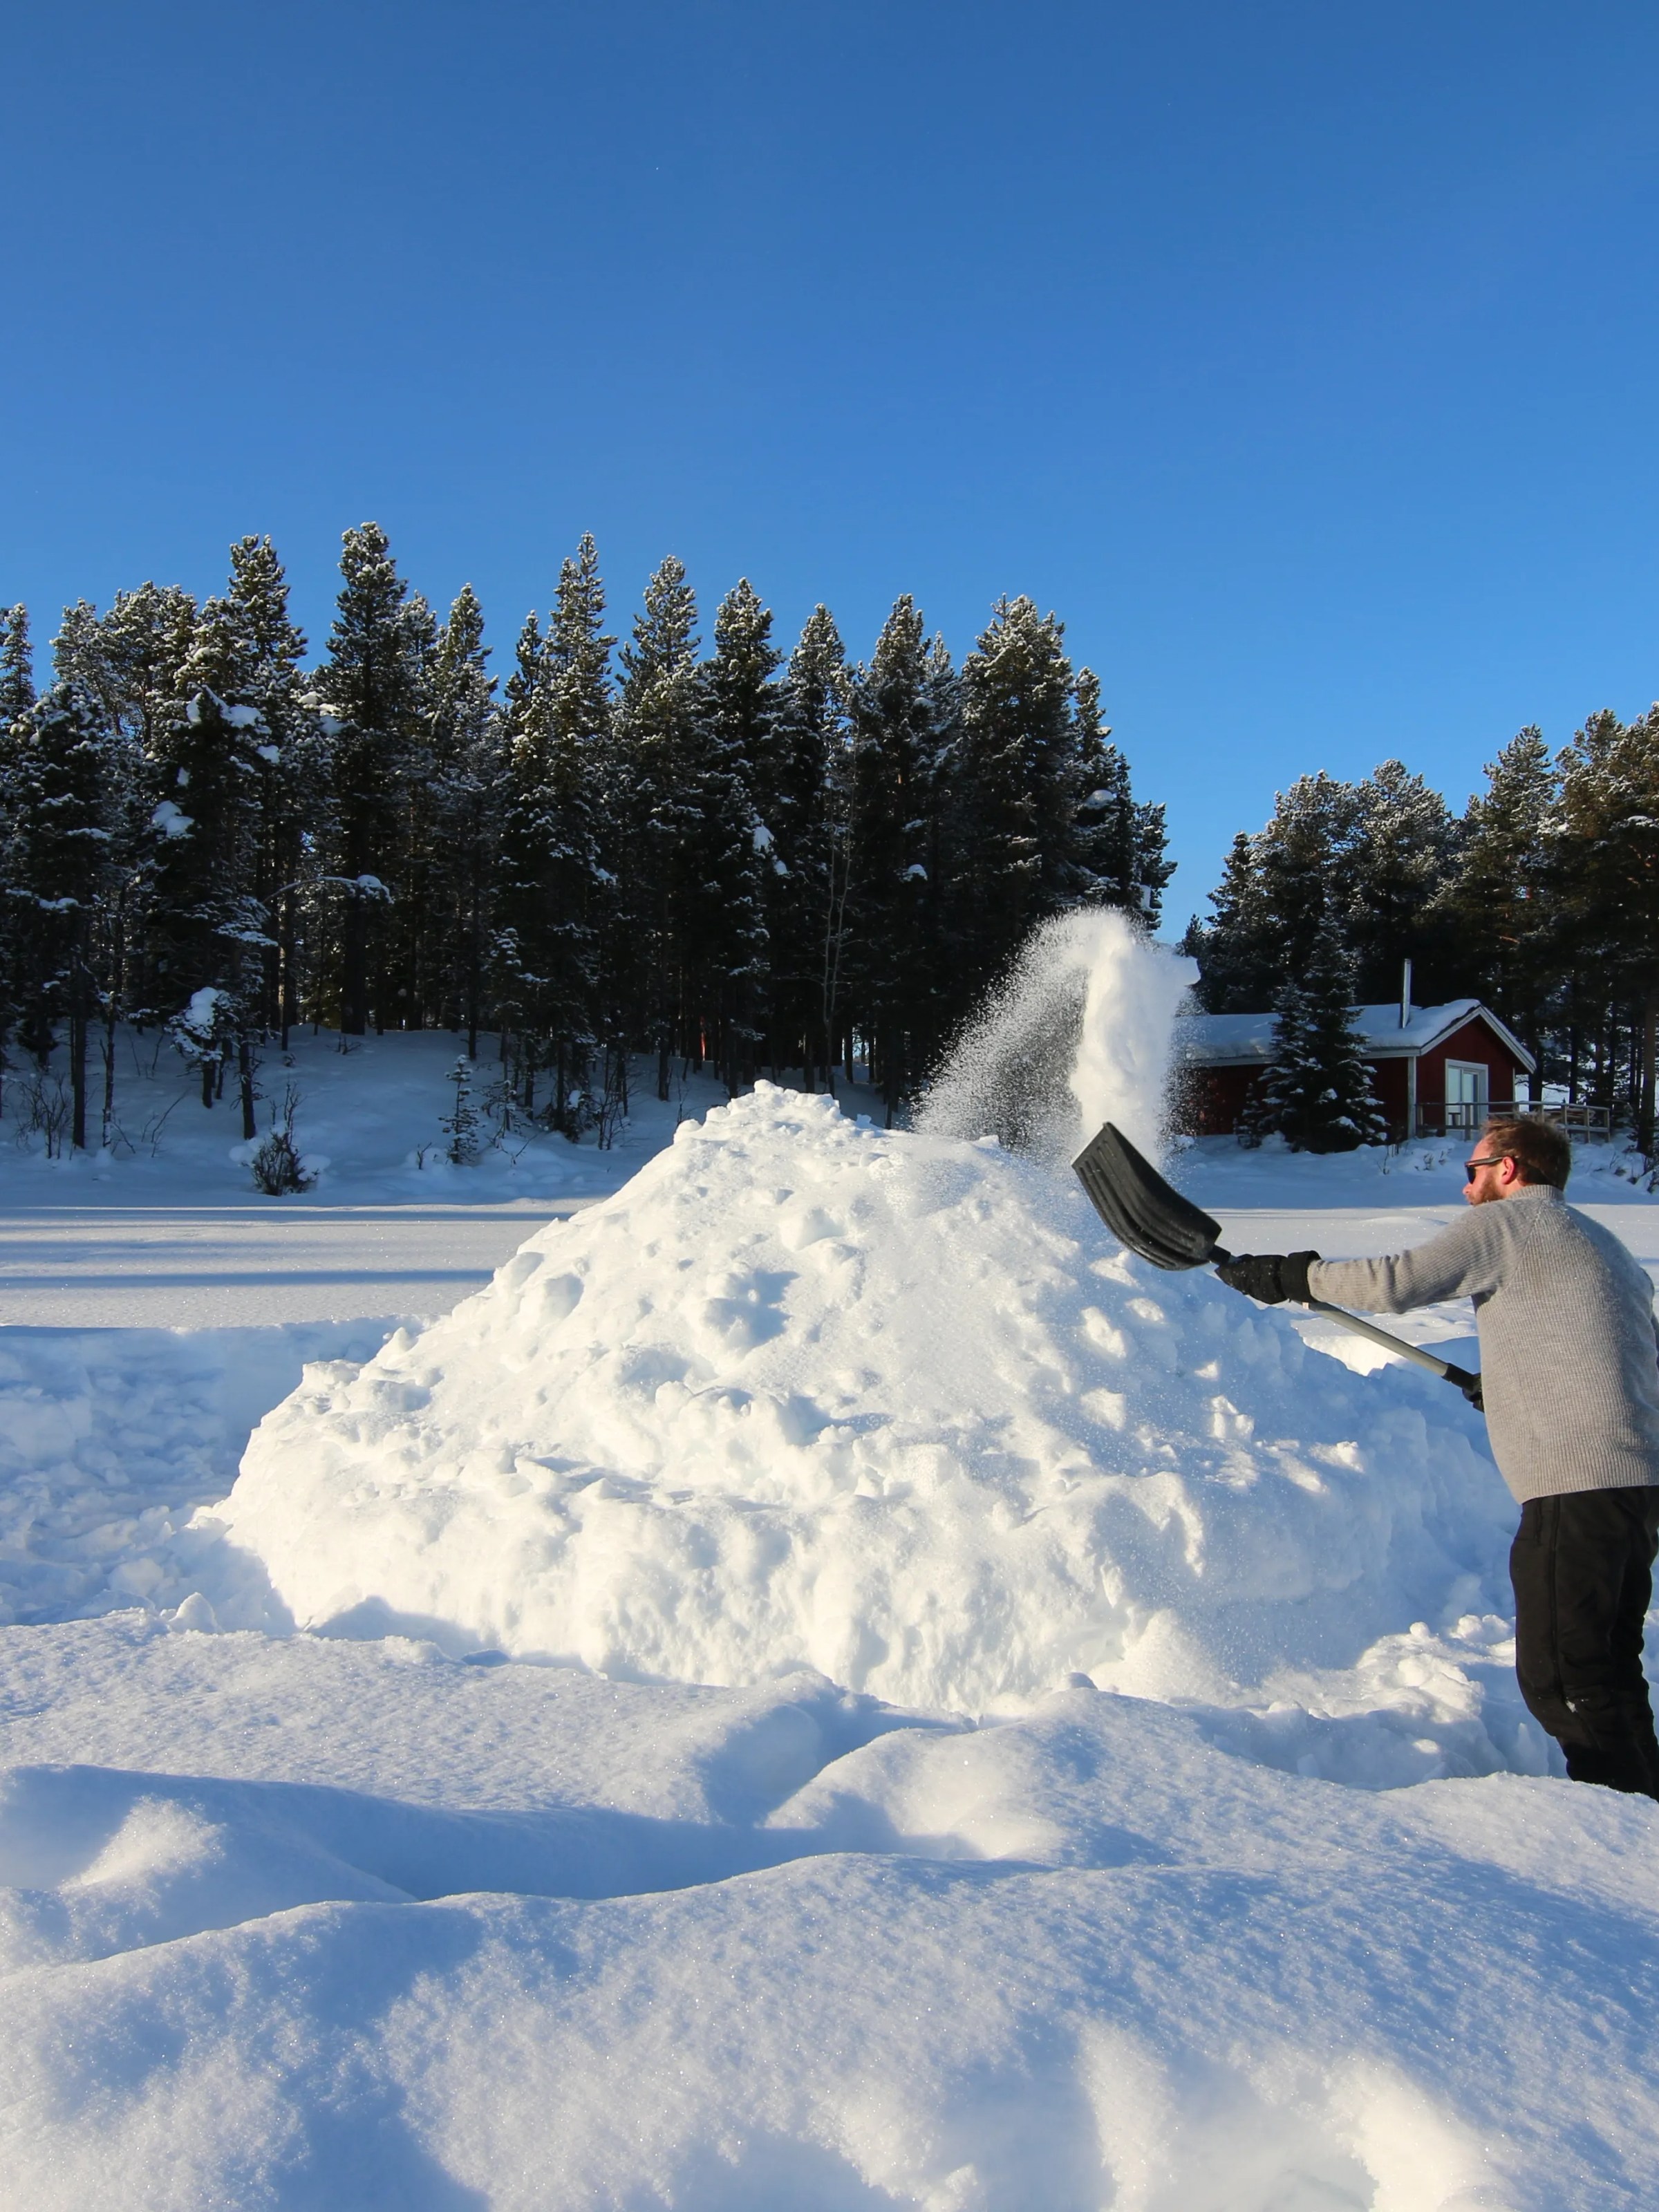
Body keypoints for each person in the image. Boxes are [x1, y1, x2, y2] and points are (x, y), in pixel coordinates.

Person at [1216, 1115, 1659, 1801]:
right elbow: (1627, 1354)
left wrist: (1292, 1274)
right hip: (1631, 1490)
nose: (1465, 1185)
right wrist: (1510, 1383)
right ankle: (1643, 1808)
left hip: (1576, 1489)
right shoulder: (1602, 1245)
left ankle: (1620, 1827)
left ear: (1509, 1169)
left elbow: (1399, 1281)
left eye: (1474, 1169)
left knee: (1565, 1679)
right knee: (1606, 1668)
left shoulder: (1512, 1225)